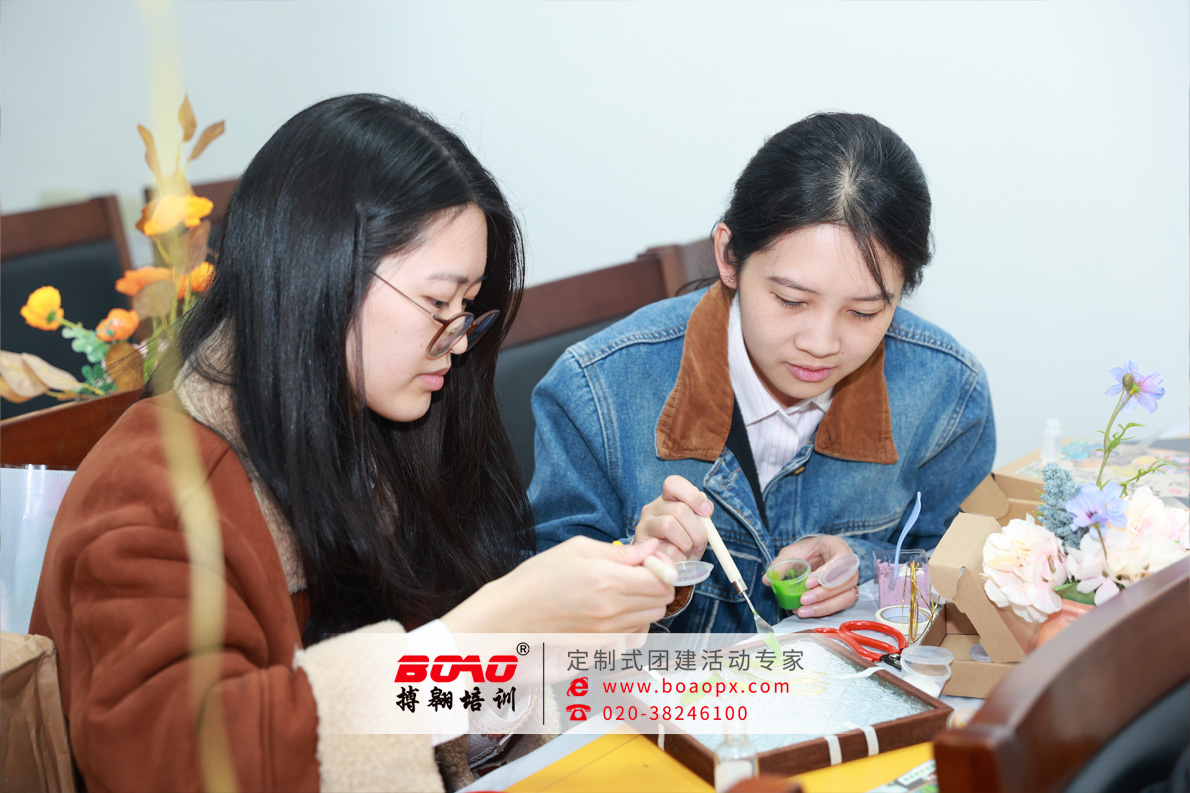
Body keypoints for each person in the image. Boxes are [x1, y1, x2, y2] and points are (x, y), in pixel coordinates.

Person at [30, 94, 676, 793]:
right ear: (320, 273)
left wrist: (566, 629)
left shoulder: (383, 430)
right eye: (438, 302)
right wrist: (464, 648)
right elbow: (171, 762)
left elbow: (446, 736)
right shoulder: (155, 485)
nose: (459, 341)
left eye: (466, 308)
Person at [530, 112, 995, 634]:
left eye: (864, 312)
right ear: (729, 257)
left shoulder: (946, 393)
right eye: (791, 300)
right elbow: (535, 617)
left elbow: (964, 573)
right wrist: (635, 567)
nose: (820, 344)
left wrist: (863, 564)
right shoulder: (598, 391)